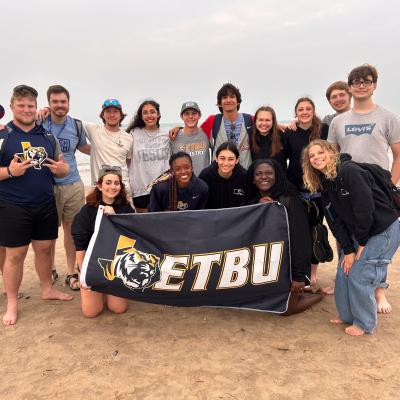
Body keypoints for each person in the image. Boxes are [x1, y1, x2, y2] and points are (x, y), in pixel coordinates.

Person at [302, 139, 400, 336]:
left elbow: (365, 209)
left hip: (382, 229)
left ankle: (365, 323)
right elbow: (334, 221)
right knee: (343, 270)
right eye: (311, 156)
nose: (316, 158)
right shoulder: (325, 183)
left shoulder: (349, 171)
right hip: (360, 232)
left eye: (320, 152)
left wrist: (362, 242)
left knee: (360, 273)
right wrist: (347, 249)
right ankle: (347, 315)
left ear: (331, 152)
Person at [328, 64, 400, 314]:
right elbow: (331, 157)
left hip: (379, 190)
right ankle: (347, 283)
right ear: (349, 87)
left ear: (374, 85)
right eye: (356, 82)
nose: (361, 85)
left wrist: (391, 184)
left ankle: (379, 291)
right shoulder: (338, 121)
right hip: (347, 192)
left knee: (378, 244)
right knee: (346, 240)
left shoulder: (388, 117)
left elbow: (398, 155)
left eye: (366, 81)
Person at [0, 85, 72, 326]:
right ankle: (12, 302)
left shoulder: (47, 136)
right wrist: (10, 171)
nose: (27, 110)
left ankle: (47, 288)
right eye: (21, 105)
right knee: (16, 255)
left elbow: (62, 167)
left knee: (44, 249)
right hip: (12, 204)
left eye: (30, 105)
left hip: (44, 202)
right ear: (12, 107)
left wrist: (63, 170)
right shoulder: (2, 135)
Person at [246, 158, 323, 314]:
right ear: (253, 178)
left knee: (285, 309)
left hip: (288, 263)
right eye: (258, 174)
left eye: (269, 173)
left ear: (277, 176)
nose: (264, 177)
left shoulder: (289, 200)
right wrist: (256, 206)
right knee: (260, 301)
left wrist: (299, 276)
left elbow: (301, 240)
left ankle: (317, 295)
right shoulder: (251, 198)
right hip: (266, 263)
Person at [42, 85, 91, 291]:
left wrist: (114, 153)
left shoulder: (76, 126)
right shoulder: (39, 122)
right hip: (46, 186)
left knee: (72, 232)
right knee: (48, 233)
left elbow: (83, 147)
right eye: (55, 102)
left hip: (73, 185)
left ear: (68, 103)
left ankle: (71, 273)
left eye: (63, 101)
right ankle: (50, 269)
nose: (60, 105)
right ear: (49, 103)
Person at [71, 166, 134, 317]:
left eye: (117, 183)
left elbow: (132, 238)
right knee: (91, 312)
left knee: (118, 308)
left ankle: (109, 291)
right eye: (108, 182)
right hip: (92, 264)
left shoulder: (126, 209)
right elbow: (80, 246)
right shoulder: (87, 211)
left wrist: (115, 218)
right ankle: (97, 291)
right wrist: (82, 273)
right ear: (99, 185)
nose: (113, 187)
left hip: (115, 264)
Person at [281, 97, 329, 291]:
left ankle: (313, 273)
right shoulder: (290, 132)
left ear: (313, 110)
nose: (304, 112)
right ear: (295, 112)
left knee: (316, 232)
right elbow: (282, 159)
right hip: (297, 191)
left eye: (308, 108)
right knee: (298, 233)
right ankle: (298, 271)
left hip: (318, 191)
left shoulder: (323, 130)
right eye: (300, 109)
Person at [170, 83, 253, 168]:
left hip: (245, 176)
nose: (228, 100)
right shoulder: (212, 121)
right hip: (219, 177)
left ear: (238, 101)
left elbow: (264, 128)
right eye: (224, 97)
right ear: (220, 103)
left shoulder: (250, 120)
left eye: (232, 97)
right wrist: (179, 129)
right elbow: (193, 130)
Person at [126, 100, 171, 212]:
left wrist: (179, 128)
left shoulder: (167, 136)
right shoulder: (133, 134)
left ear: (158, 114)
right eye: (145, 113)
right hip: (140, 189)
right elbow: (124, 157)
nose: (149, 115)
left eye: (152, 112)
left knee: (162, 224)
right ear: (141, 116)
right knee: (144, 225)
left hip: (163, 188)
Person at [83, 99, 133, 198]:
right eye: (108, 111)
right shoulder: (93, 129)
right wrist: (48, 110)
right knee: (99, 214)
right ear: (103, 115)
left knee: (127, 214)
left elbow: (128, 161)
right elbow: (70, 121)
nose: (112, 115)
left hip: (123, 187)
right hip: (100, 188)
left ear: (121, 115)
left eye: (115, 111)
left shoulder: (129, 138)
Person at [199, 142, 247, 209]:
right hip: (212, 218)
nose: (226, 163)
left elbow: (250, 202)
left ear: (237, 160)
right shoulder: (206, 176)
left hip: (237, 218)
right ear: (216, 158)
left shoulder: (244, 176)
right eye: (222, 158)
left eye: (231, 159)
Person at [170, 102, 210, 176]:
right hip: (183, 182)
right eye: (186, 114)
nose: (190, 116)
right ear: (181, 116)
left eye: (194, 113)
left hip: (205, 181)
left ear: (199, 115)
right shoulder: (173, 137)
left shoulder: (206, 133)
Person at [250, 106, 286, 171]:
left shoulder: (283, 136)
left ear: (273, 122)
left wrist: (296, 122)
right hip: (256, 179)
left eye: (267, 120)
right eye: (261, 120)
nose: (264, 123)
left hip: (279, 180)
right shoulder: (249, 135)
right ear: (255, 121)